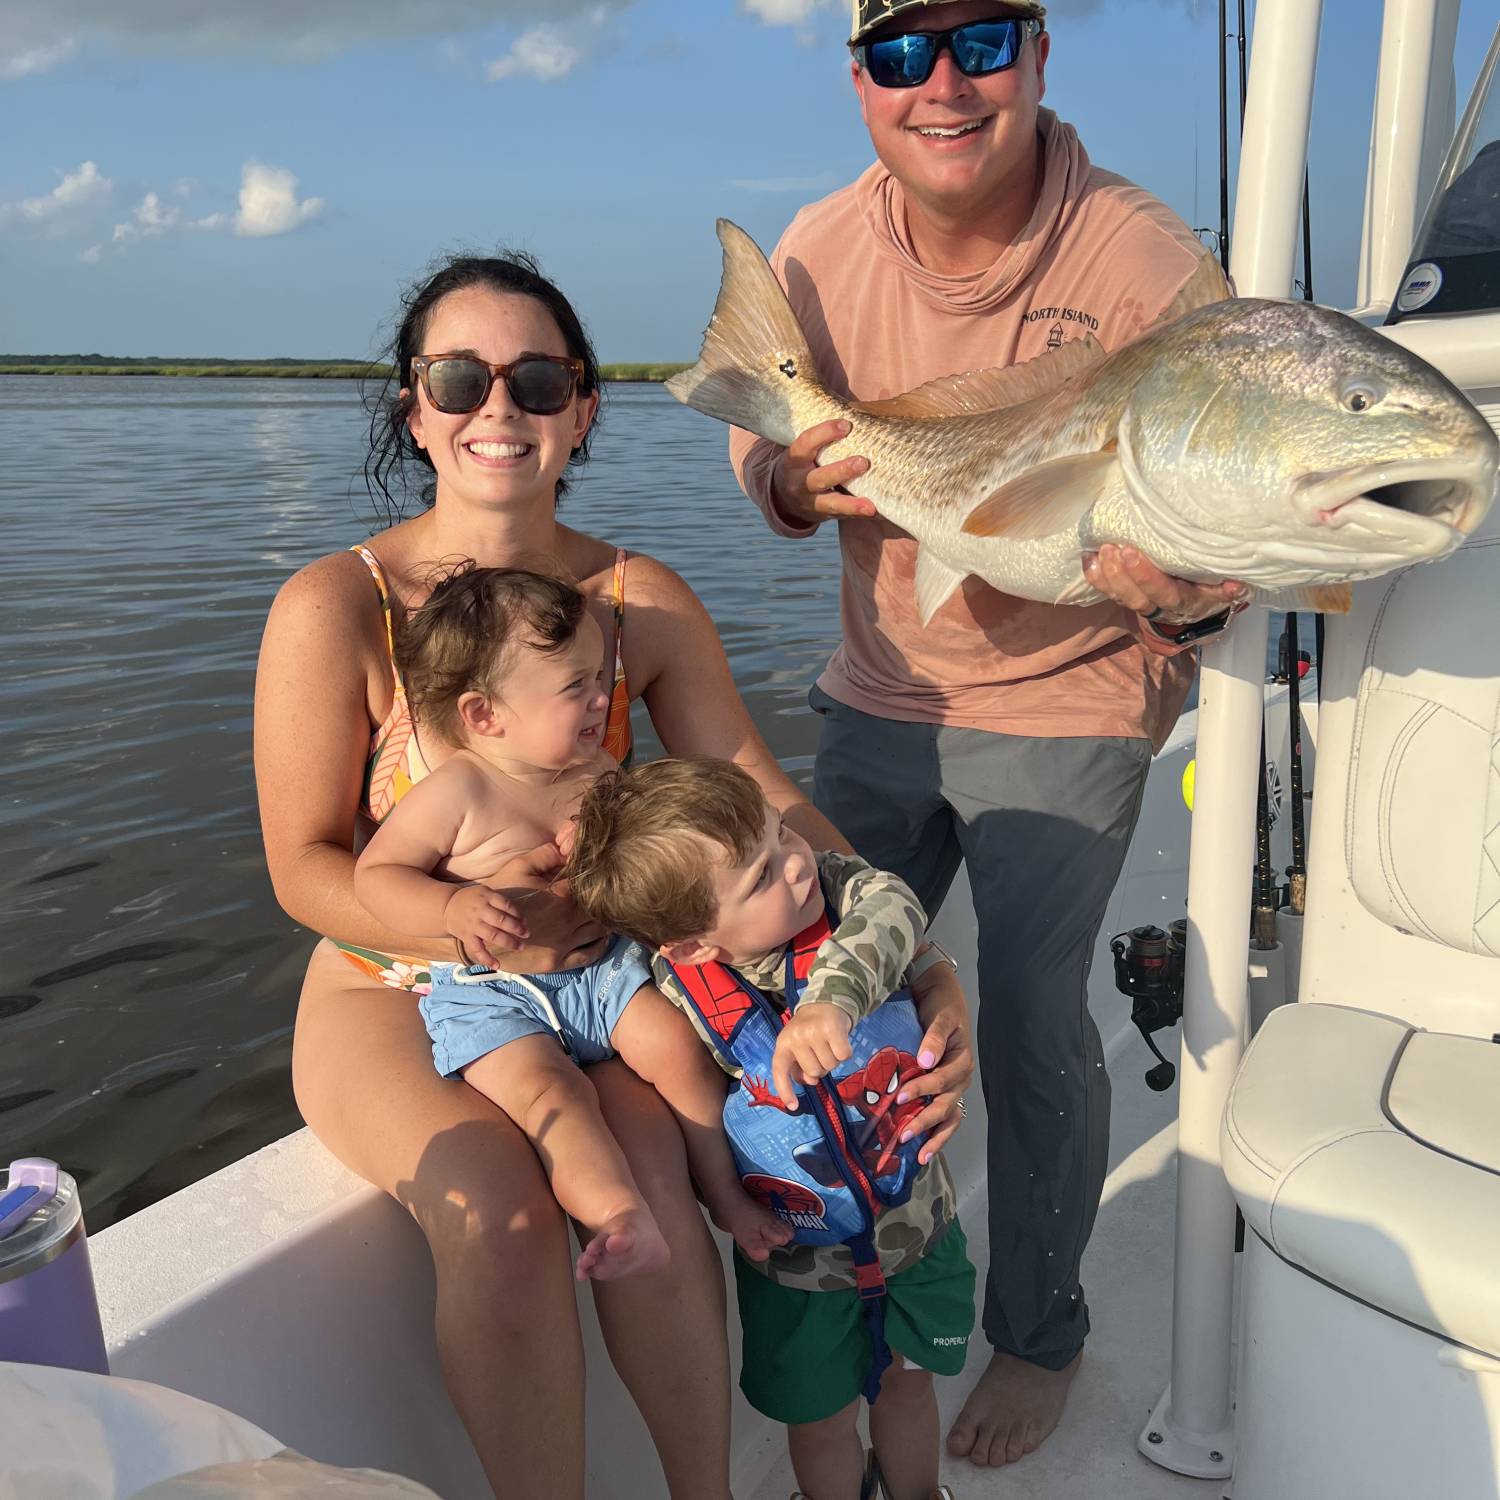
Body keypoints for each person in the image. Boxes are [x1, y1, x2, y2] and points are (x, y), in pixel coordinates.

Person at [254, 247, 978, 1498]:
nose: (499, 409)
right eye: (458, 377)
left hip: (605, 991)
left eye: (539, 379)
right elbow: (303, 868)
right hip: (391, 989)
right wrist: (475, 932)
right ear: (413, 406)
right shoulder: (336, 609)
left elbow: (763, 792)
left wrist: (908, 957)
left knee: (659, 1175)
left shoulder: (637, 601)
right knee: (504, 1210)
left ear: (584, 408)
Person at [728, 0, 1248, 1469]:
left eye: (980, 41)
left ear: (1037, 51)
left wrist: (1189, 605)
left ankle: (1040, 1330)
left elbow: (1225, 514)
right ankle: (826, 1294)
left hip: (1077, 688)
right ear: (857, 77)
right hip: (881, 682)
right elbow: (759, 425)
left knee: (1028, 1023)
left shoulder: (1142, 258)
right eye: (901, 50)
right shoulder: (819, 248)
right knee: (798, 999)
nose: (941, 83)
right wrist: (786, 480)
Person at [353, 563, 793, 1276]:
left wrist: (601, 859)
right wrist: (453, 906)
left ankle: (726, 1194)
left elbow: (643, 869)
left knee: (676, 1049)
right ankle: (616, 1216)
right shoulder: (457, 790)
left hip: (603, 973)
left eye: (600, 679)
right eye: (575, 688)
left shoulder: (596, 777)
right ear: (485, 716)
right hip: (492, 993)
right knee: (552, 1093)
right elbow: (376, 877)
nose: (600, 699)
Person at [568, 756, 976, 1500]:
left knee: (908, 1392)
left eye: (779, 832)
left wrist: (835, 1001)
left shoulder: (846, 893)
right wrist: (726, 1201)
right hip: (796, 1269)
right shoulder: (677, 993)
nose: (793, 863)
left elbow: (897, 907)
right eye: (759, 875)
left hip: (918, 1234)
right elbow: (689, 1103)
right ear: (693, 945)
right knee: (817, 1423)